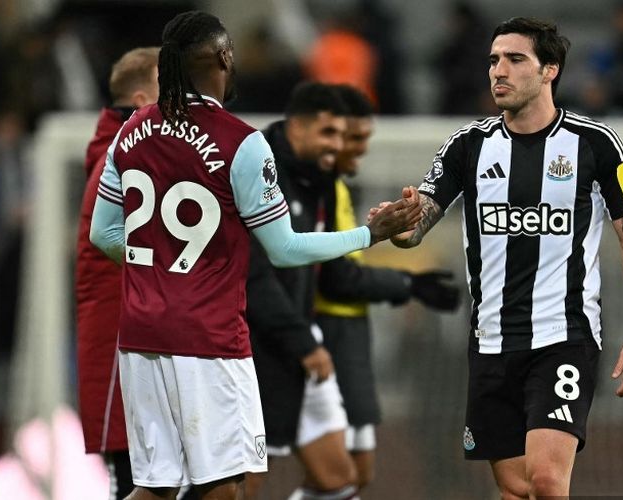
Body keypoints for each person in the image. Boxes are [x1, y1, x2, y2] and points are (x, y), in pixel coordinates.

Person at [89, 12, 421, 500]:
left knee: (156, 488)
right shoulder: (243, 143)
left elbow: (103, 233)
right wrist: (368, 235)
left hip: (140, 334)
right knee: (223, 490)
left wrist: (158, 265)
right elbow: (285, 249)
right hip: (207, 337)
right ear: (224, 59)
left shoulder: (131, 130)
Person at [372, 17, 623, 499]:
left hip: (563, 336)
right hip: (491, 342)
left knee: (547, 481)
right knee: (514, 488)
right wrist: (396, 224)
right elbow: (418, 224)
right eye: (493, 60)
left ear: (550, 70)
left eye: (514, 59)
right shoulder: (469, 146)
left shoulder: (594, 145)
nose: (497, 71)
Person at [314, 84, 461, 492]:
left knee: (350, 475)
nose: (361, 150)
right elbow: (335, 275)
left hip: (348, 337)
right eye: (355, 138)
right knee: (329, 473)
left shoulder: (338, 190)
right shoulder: (312, 191)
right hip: (320, 339)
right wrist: (405, 282)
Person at [244, 81, 363, 500]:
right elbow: (254, 278)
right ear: (297, 127)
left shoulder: (322, 180)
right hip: (255, 349)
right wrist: (303, 344)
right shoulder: (256, 170)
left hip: (299, 341)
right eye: (328, 133)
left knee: (338, 480)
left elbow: (330, 273)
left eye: (343, 135)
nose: (338, 145)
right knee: (243, 483)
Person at [75, 46, 160, 500]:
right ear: (144, 98)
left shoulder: (131, 150)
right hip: (119, 343)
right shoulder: (121, 157)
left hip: (141, 338)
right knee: (134, 481)